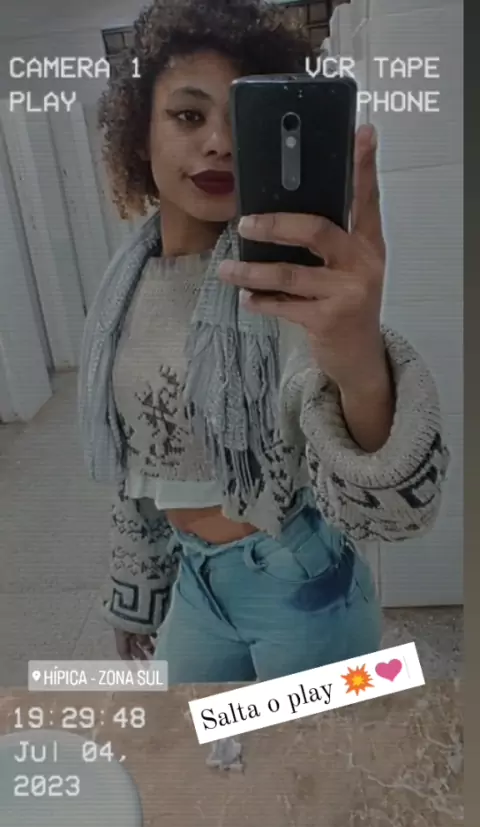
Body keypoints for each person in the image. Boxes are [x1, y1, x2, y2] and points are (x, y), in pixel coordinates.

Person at [78, 0, 450, 684]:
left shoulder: (289, 282)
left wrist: (361, 366)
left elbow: (401, 518)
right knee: (202, 740)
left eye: (239, 120)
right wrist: (137, 587)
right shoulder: (123, 288)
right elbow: (136, 462)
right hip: (196, 581)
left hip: (299, 579)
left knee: (308, 752)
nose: (219, 143)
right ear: (140, 138)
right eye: (188, 116)